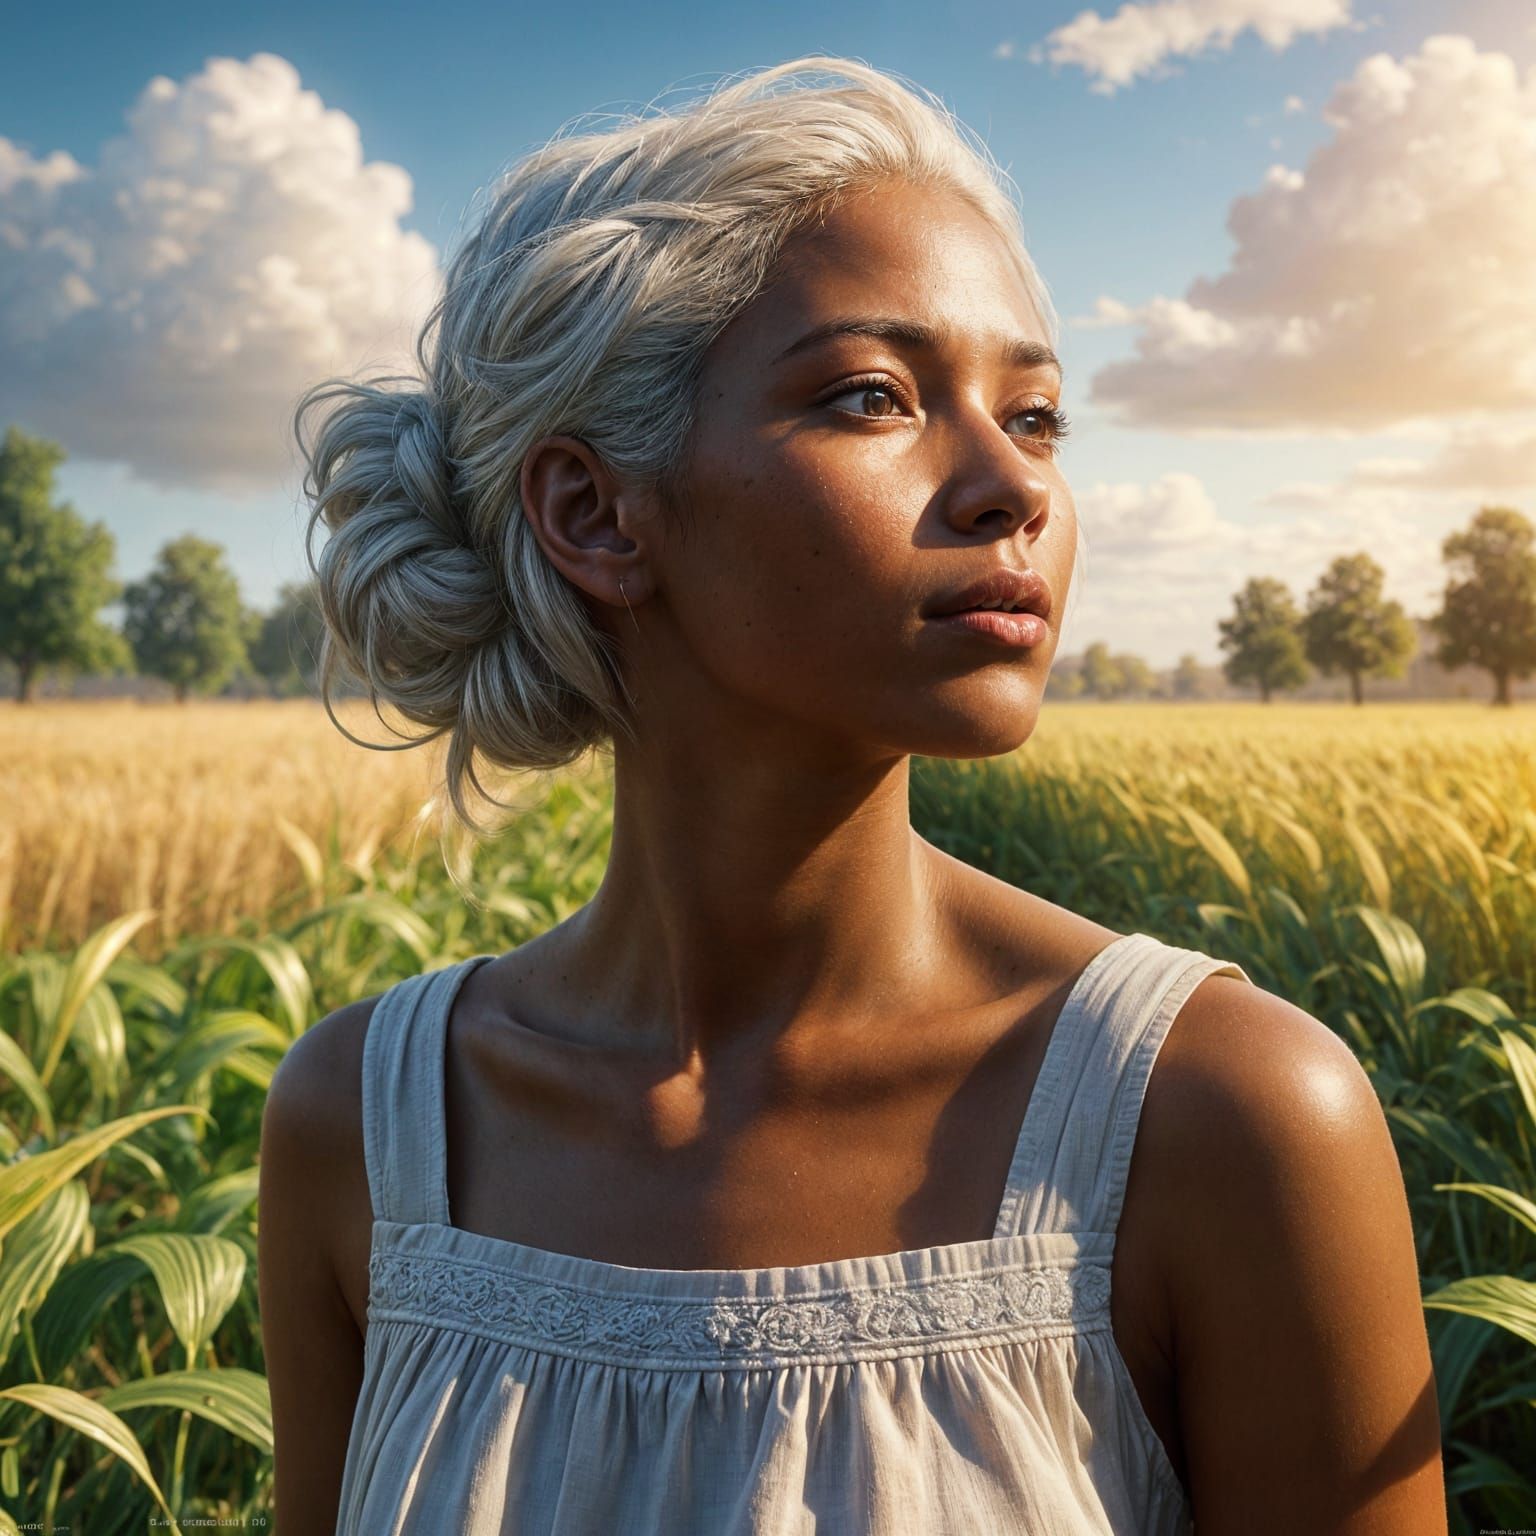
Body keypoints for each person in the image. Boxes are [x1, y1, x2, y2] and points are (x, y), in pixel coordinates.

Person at [257, 55, 1447, 1536]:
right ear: (593, 514)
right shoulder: (367, 1128)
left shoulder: (1232, 1122)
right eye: (875, 396)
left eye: (1037, 415)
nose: (1012, 484)